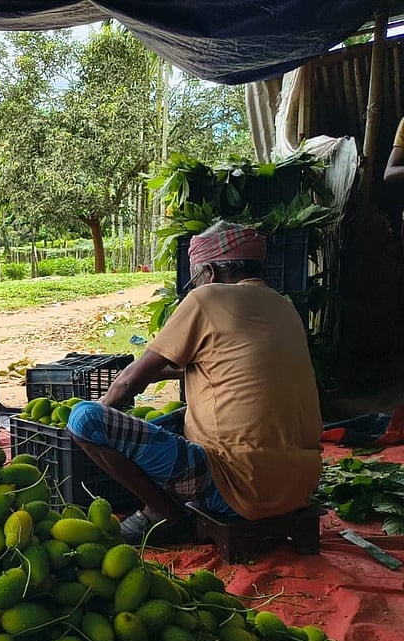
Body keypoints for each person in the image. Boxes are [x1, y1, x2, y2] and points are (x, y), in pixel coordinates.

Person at [65, 221, 322, 545]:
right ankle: (162, 503)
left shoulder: (207, 298)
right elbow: (230, 370)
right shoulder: (284, 307)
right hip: (299, 485)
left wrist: (102, 419)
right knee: (168, 422)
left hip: (235, 492)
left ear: (210, 273)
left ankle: (165, 515)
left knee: (84, 419)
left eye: (195, 277)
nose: (193, 286)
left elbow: (128, 382)